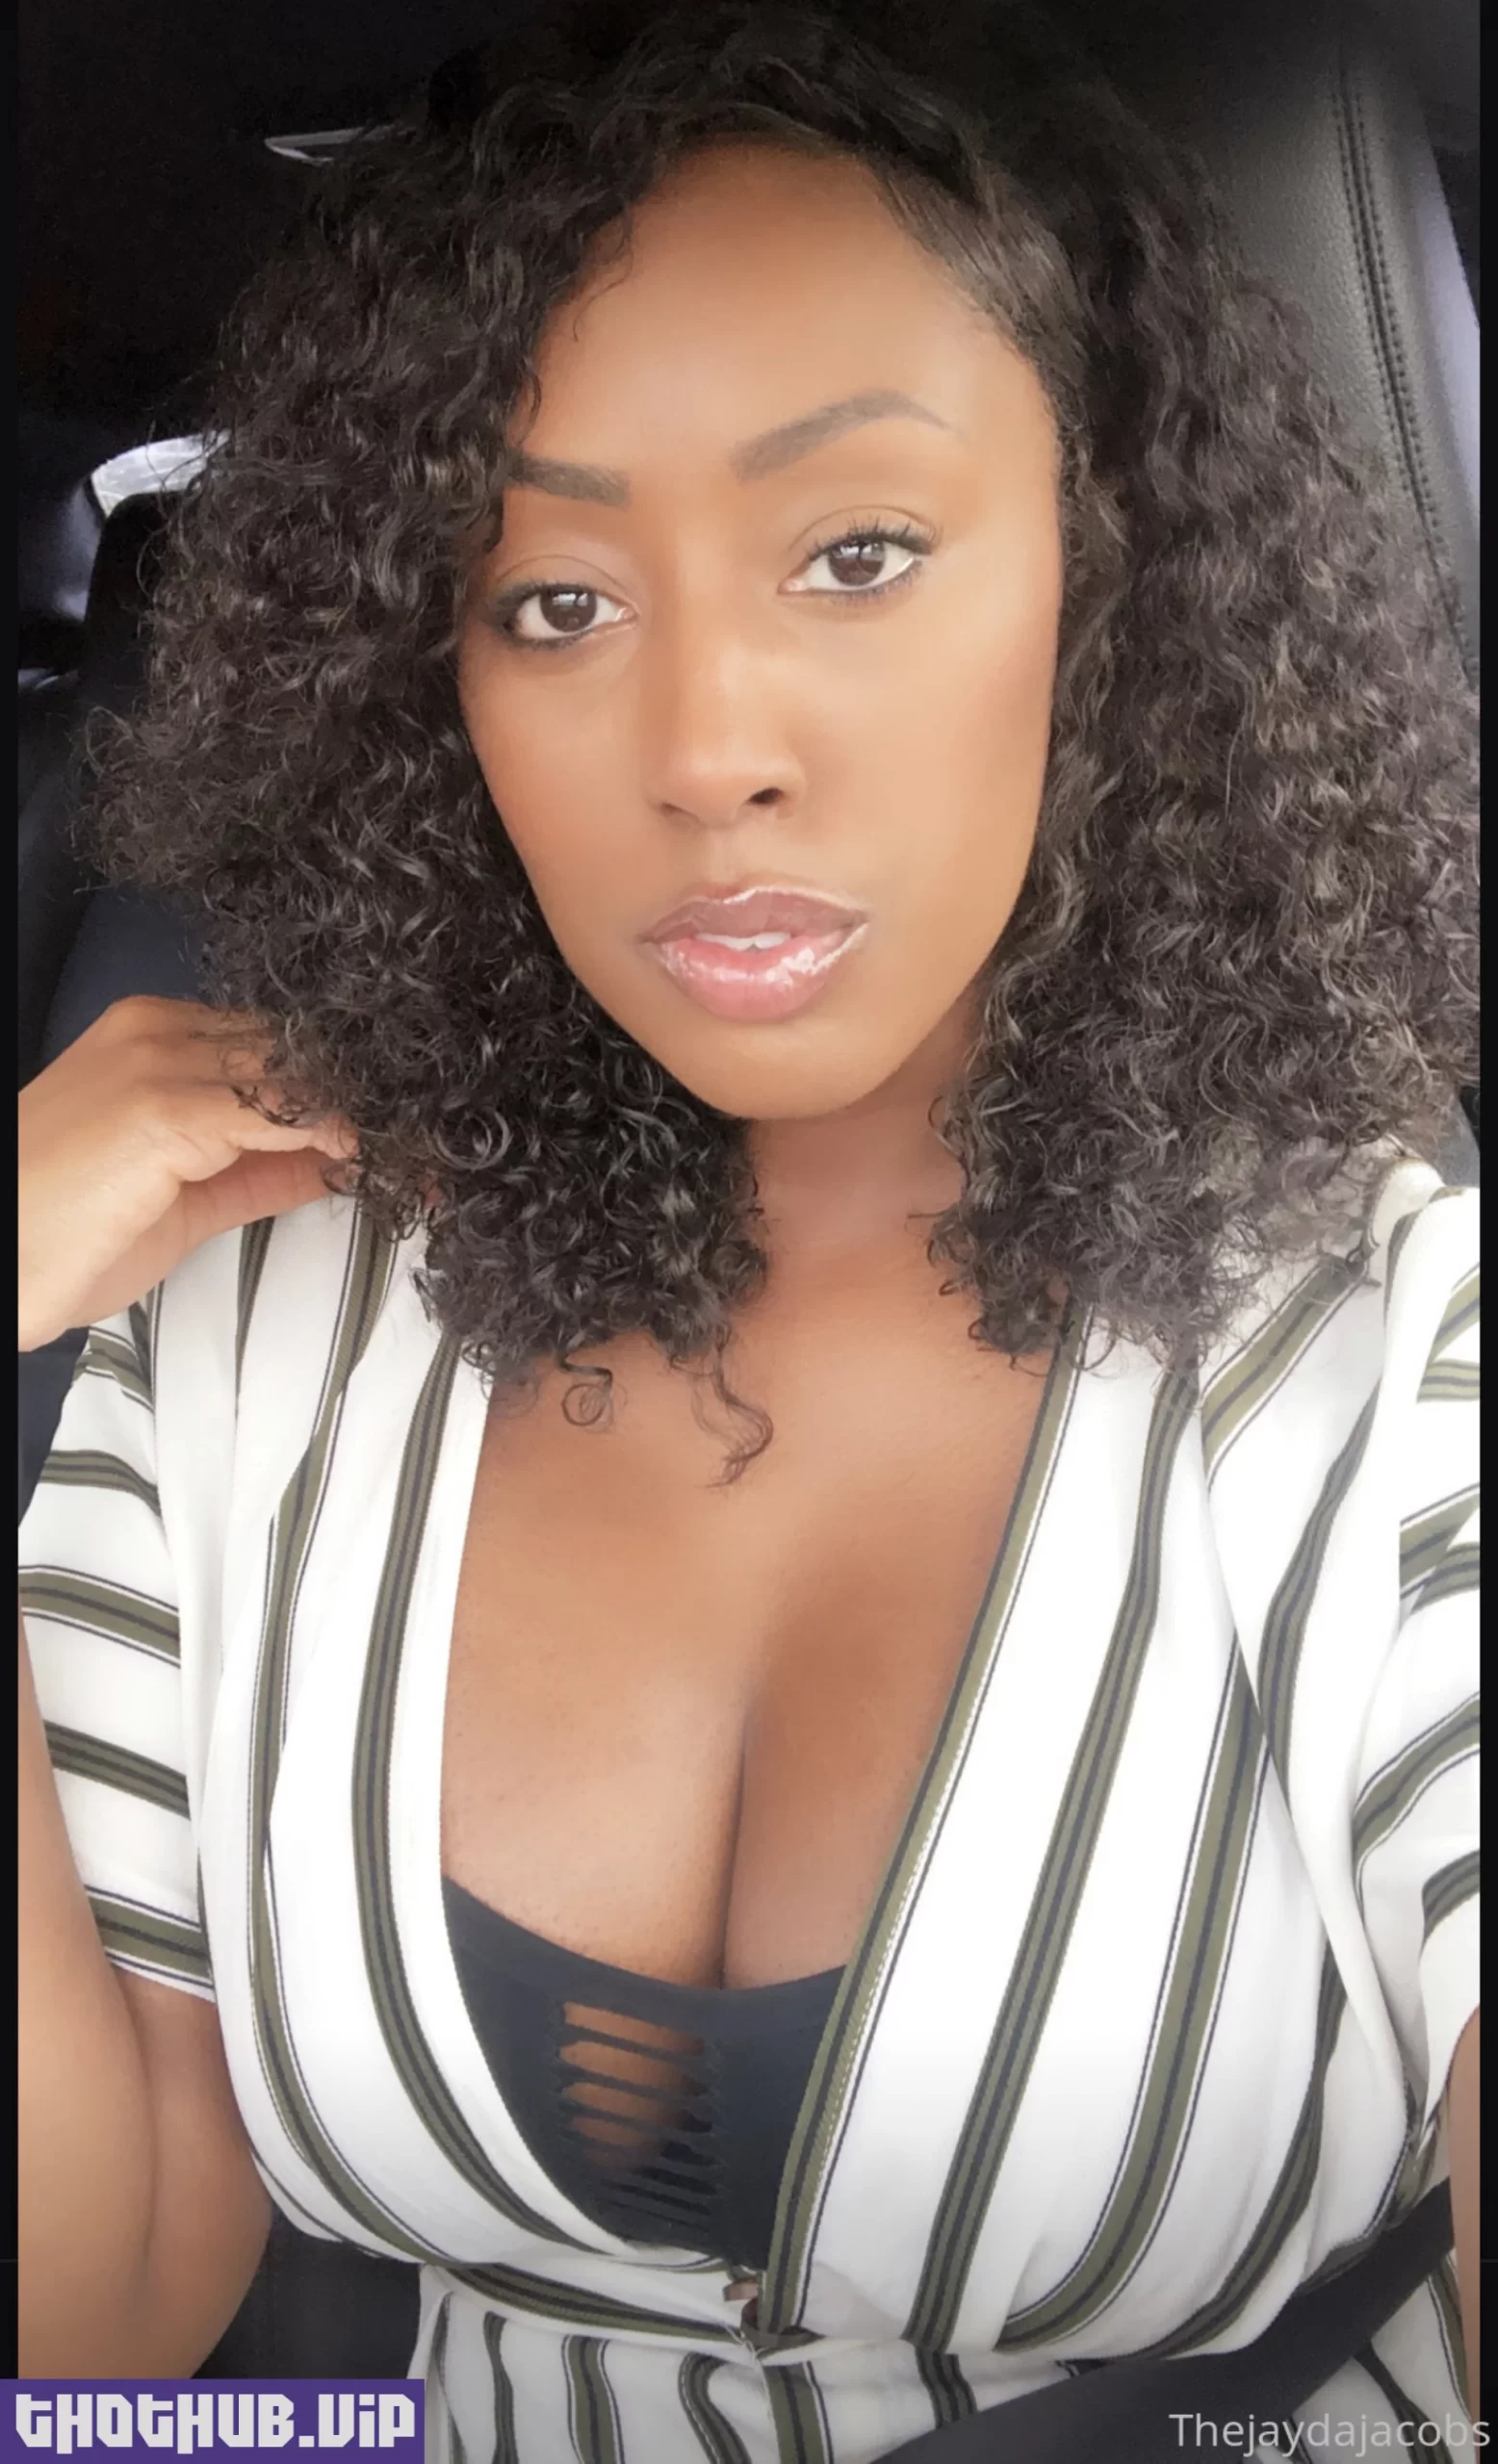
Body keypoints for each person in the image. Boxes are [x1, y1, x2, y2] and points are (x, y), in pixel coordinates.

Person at [17, 1, 1479, 2455]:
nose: (705, 748)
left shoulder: (1396, 1351)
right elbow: (91, 2318)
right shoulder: (255, 1315)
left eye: (858, 553)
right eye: (552, 603)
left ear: (1106, 584)